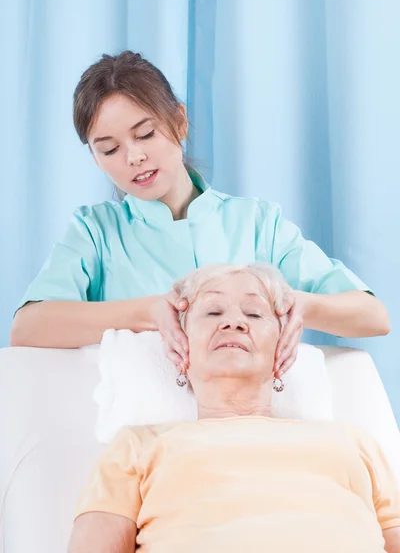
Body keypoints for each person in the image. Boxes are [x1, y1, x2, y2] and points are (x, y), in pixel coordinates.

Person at [11, 51, 390, 377]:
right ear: (95, 158)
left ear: (178, 121)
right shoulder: (96, 232)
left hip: (249, 428)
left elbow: (373, 317)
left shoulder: (256, 223)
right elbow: (29, 327)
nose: (134, 157)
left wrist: (302, 305)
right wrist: (148, 312)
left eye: (145, 134)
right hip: (145, 441)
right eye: (109, 149)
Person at [67, 263, 400, 553]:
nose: (234, 323)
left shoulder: (354, 444)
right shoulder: (138, 447)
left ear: (283, 347)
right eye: (213, 312)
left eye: (254, 314)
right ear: (179, 346)